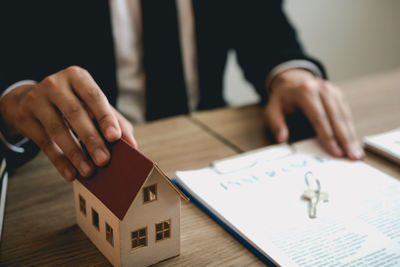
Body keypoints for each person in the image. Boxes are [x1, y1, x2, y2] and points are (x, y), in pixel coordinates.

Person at [0, 0, 364, 181]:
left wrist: (290, 75)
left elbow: (268, 31)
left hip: (210, 148)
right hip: (76, 164)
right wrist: (14, 98)